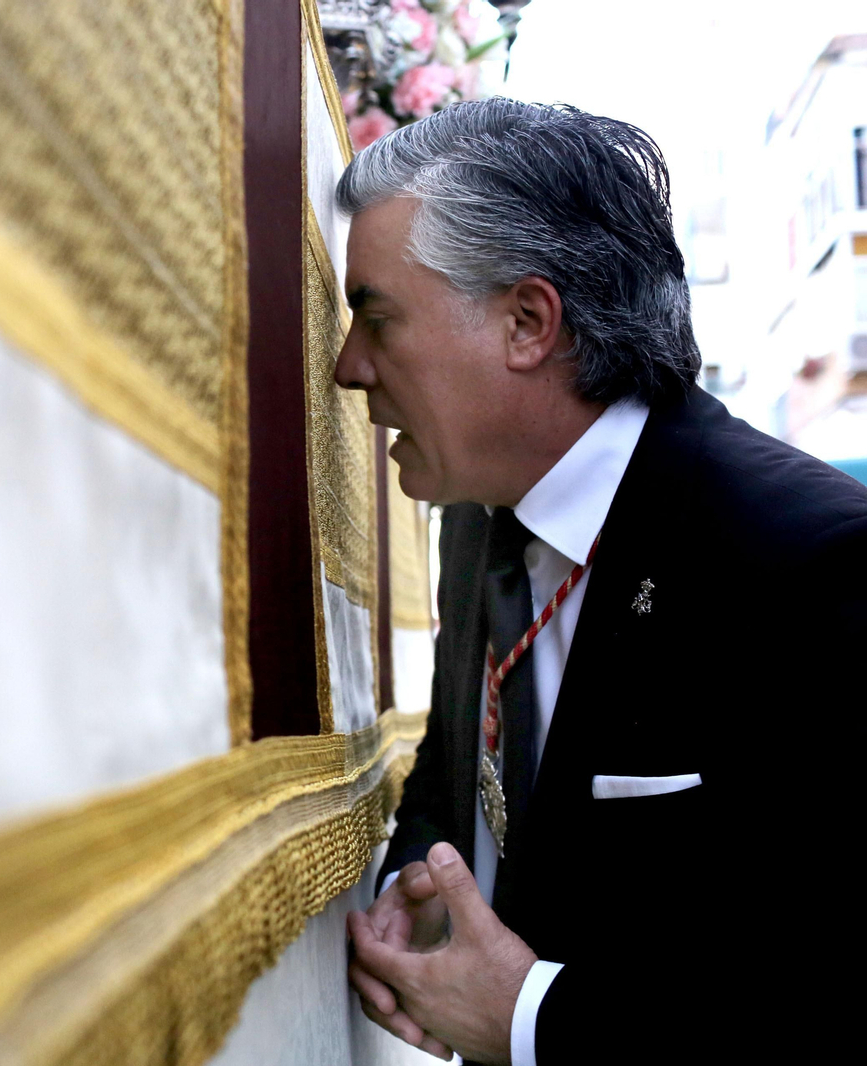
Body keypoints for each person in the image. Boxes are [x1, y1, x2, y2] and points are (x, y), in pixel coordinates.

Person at [332, 99, 867, 1065]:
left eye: (375, 315)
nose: (346, 367)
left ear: (528, 322)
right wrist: (417, 877)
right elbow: (463, 756)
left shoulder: (806, 560)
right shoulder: (477, 517)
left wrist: (535, 1018)